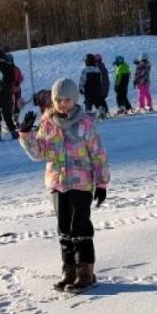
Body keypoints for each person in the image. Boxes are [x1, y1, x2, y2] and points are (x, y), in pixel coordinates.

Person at [18, 77, 110, 293]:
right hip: (57, 184)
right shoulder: (47, 123)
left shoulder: (85, 124)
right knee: (64, 230)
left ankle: (85, 272)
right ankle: (69, 271)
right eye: (58, 99)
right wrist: (26, 135)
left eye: (67, 99)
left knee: (80, 228)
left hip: (81, 183)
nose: (62, 104)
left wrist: (102, 183)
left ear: (75, 99)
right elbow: (38, 153)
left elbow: (98, 154)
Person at [94, 53, 112, 117]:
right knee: (101, 100)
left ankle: (103, 113)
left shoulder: (97, 67)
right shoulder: (102, 66)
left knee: (98, 100)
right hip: (105, 87)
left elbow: (99, 78)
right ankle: (106, 112)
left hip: (101, 87)